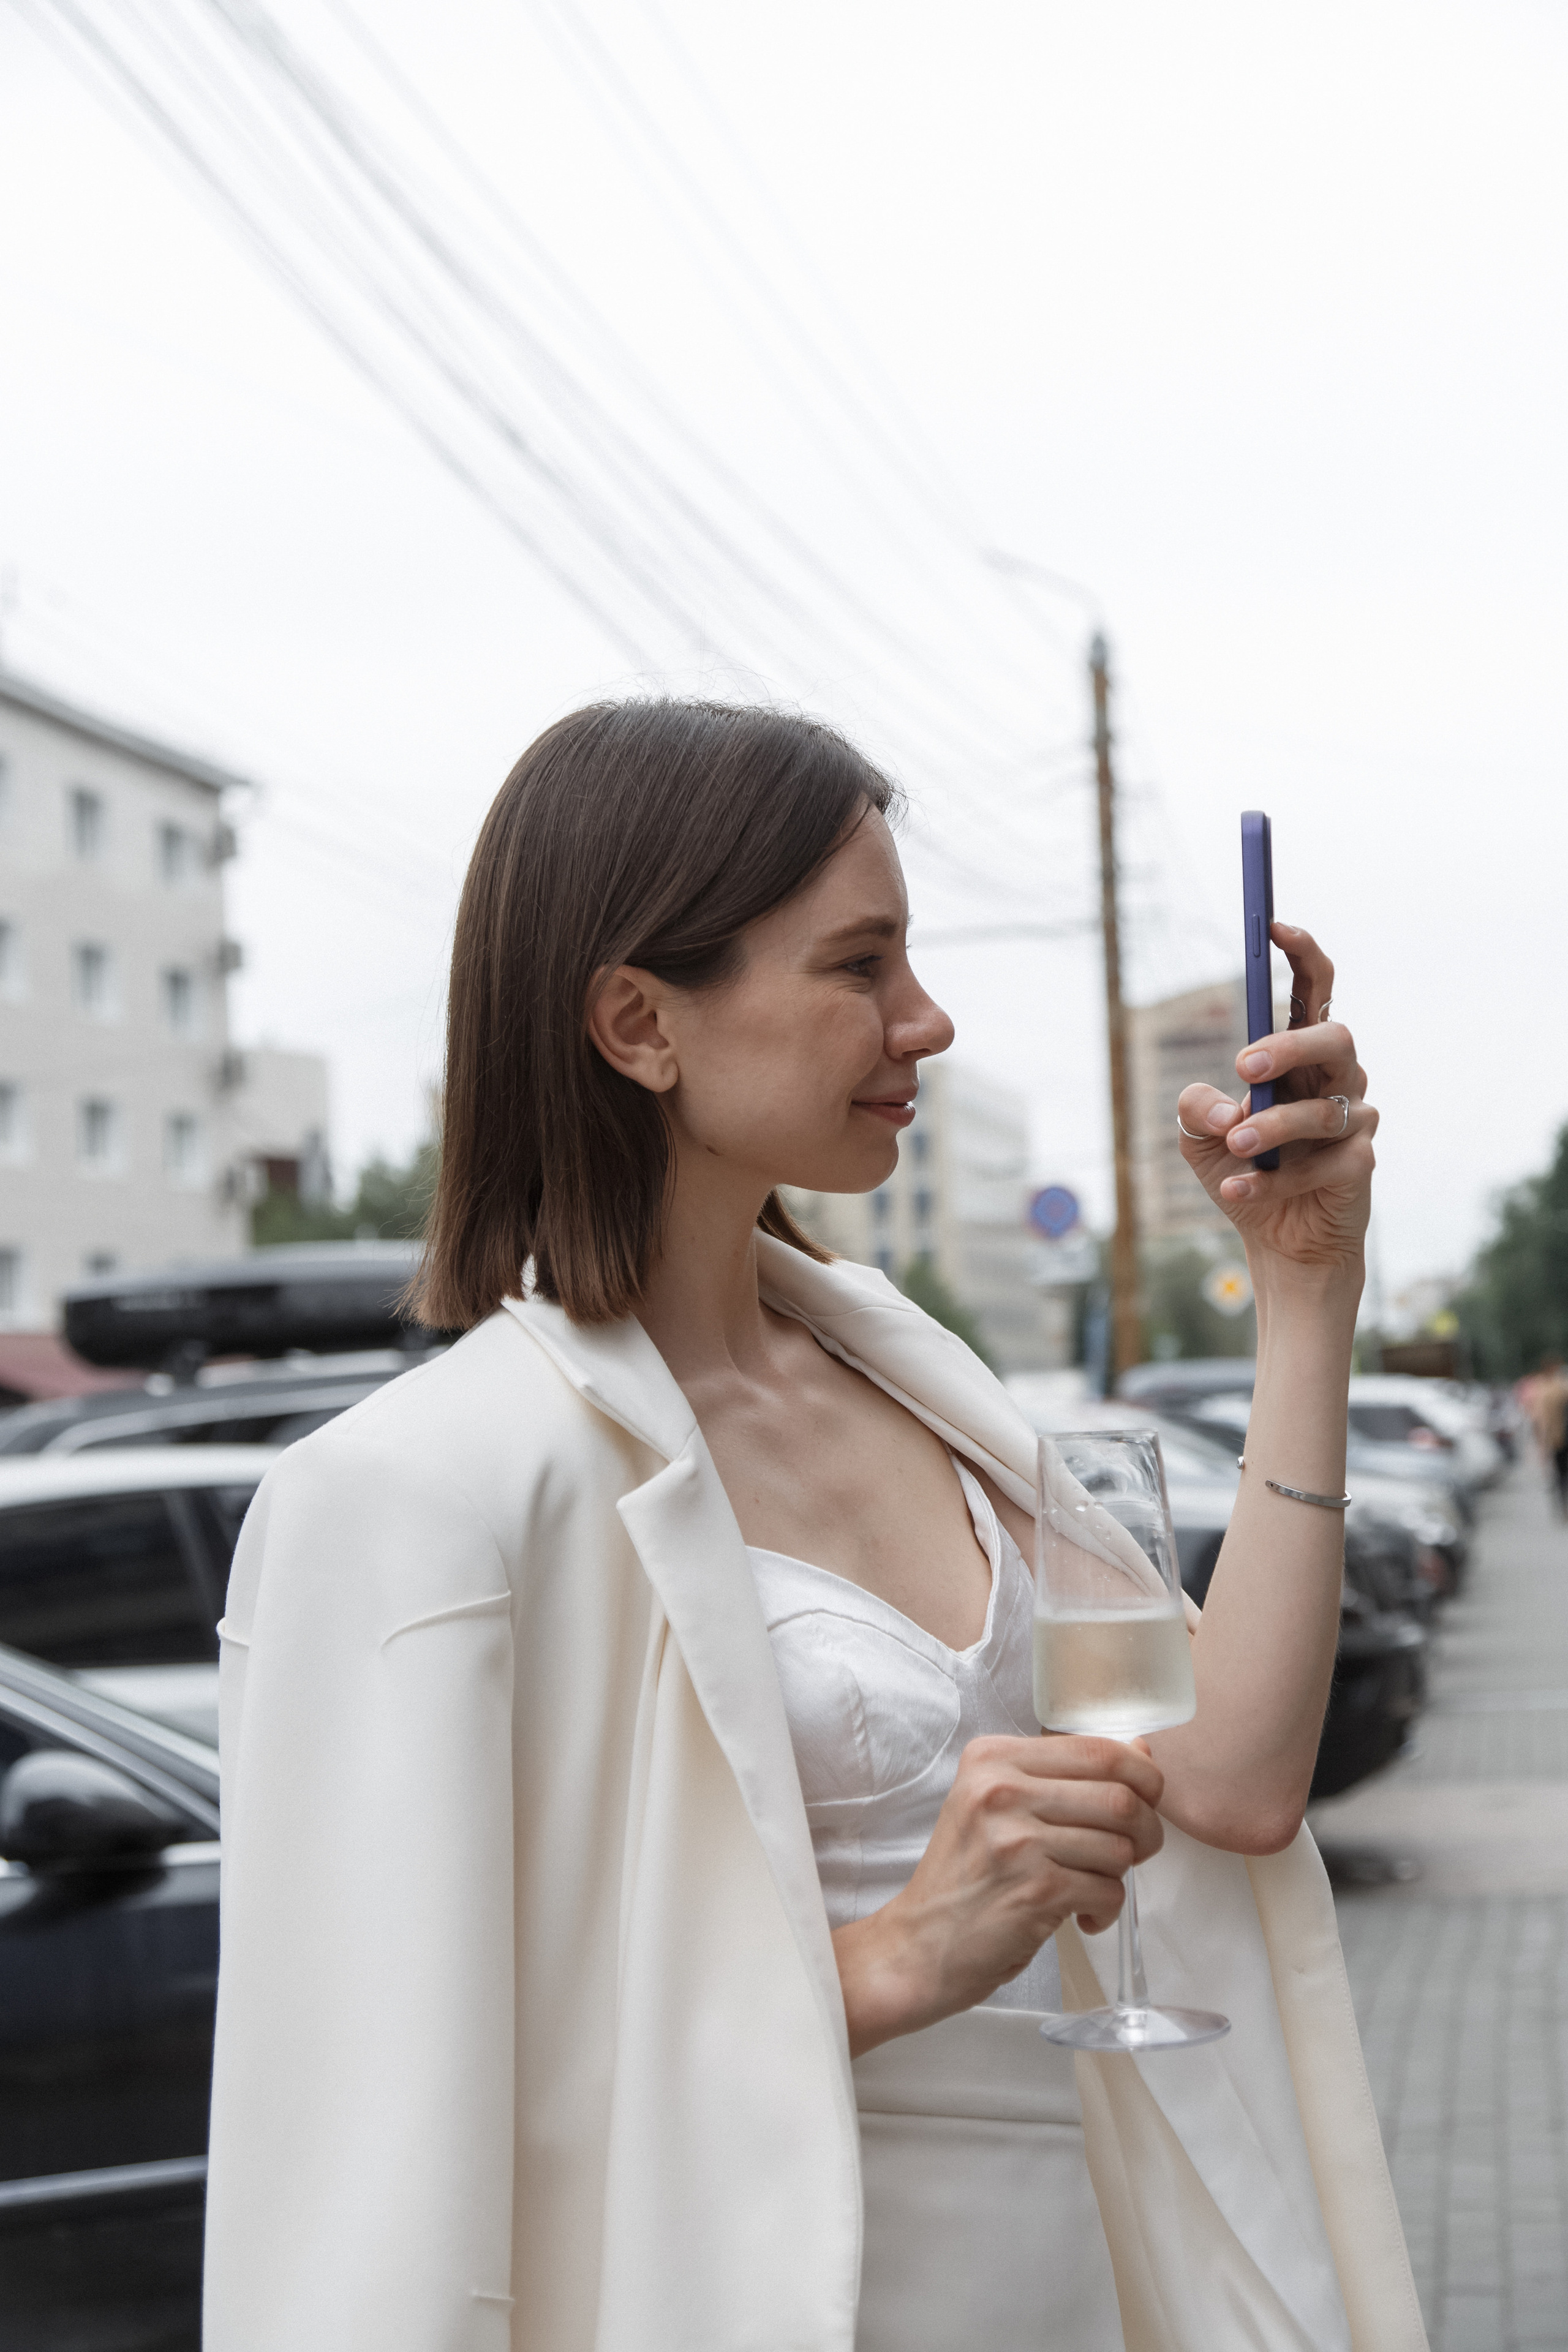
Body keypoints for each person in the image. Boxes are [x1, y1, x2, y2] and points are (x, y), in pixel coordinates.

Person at [204, 702, 1425, 2351]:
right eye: (860, 968)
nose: (922, 1021)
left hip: (1079, 2285)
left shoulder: (920, 1383)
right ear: (640, 1022)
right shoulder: (412, 1498)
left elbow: (1239, 1782)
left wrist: (1306, 1292)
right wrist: (896, 1956)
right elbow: (376, 2138)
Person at [1528, 1360, 1568, 1517]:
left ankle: (1563, 1505)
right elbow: (1541, 1418)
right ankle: (1563, 1505)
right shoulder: (1550, 1389)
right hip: (1558, 1437)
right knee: (1561, 1474)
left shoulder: (1553, 1388)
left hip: (1557, 1437)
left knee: (1561, 1475)